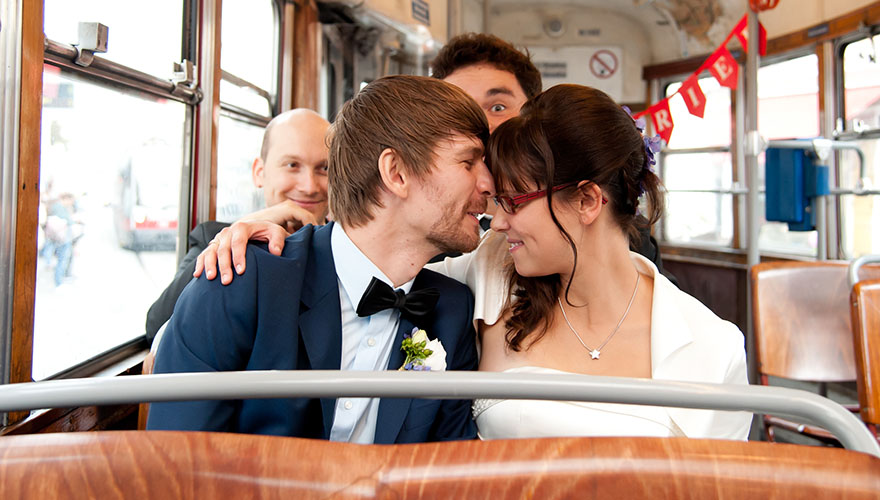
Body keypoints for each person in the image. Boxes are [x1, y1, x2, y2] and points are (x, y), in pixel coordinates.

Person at [146, 75, 493, 444]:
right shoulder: (243, 279)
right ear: (396, 173)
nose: (488, 183)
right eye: (469, 162)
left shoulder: (451, 311)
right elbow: (176, 461)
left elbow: (444, 469)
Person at [470, 84, 750, 440]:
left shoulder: (712, 345)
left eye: (514, 202)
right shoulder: (492, 268)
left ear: (587, 200)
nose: (497, 222)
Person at [144, 108, 330, 343]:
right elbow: (157, 323)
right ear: (259, 173)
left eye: (324, 168)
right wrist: (243, 228)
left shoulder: (353, 245)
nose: (309, 186)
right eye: (292, 165)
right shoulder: (211, 238)